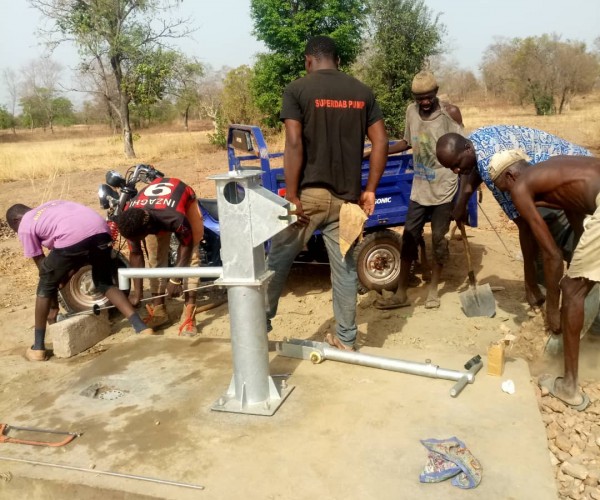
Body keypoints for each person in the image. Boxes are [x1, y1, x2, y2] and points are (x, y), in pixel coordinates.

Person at [265, 35, 388, 351]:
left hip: (310, 197)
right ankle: (346, 338)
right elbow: (381, 143)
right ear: (338, 61)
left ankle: (258, 322)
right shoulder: (362, 92)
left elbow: (294, 142)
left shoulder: (297, 90)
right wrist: (370, 190)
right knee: (345, 269)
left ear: (309, 61)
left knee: (277, 258)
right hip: (347, 201)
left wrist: (291, 195)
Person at [488, 150, 600, 410]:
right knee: (586, 278)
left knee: (572, 290)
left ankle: (568, 387)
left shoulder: (521, 186)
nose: (509, 198)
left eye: (504, 190)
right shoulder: (554, 169)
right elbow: (580, 227)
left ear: (510, 176)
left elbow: (552, 255)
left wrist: (553, 308)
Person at [436, 125, 593, 309]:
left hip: (575, 183)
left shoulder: (494, 167)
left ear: (468, 149)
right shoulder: (475, 141)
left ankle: (582, 294)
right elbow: (471, 170)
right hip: (580, 165)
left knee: (571, 245)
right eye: (450, 168)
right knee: (548, 237)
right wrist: (461, 202)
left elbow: (523, 223)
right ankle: (548, 288)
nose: (455, 171)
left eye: (456, 165)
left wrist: (529, 285)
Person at [6, 200, 153, 361]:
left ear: (16, 221)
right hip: (101, 231)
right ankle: (142, 327)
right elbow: (72, 257)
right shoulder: (51, 206)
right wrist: (64, 277)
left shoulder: (25, 226)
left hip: (72, 237)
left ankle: (38, 348)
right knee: (104, 282)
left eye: (15, 229)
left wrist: (53, 306)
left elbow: (45, 273)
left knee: (44, 286)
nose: (17, 232)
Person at [375, 70, 464, 310]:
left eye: (428, 97)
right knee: (410, 238)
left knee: (438, 240)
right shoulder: (411, 111)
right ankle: (401, 292)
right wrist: (376, 151)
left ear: (435, 92)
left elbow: (463, 151)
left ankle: (434, 289)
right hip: (420, 187)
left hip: (443, 187)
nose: (424, 102)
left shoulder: (449, 114)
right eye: (419, 97)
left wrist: (464, 196)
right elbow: (406, 142)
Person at [116, 176, 204, 336]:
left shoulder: (174, 217)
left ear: (148, 227)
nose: (137, 241)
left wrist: (175, 279)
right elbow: (136, 253)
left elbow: (187, 245)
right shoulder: (131, 218)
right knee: (155, 258)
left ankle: (189, 314)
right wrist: (138, 293)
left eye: (139, 237)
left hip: (181, 198)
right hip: (152, 207)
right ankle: (159, 310)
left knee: (192, 257)